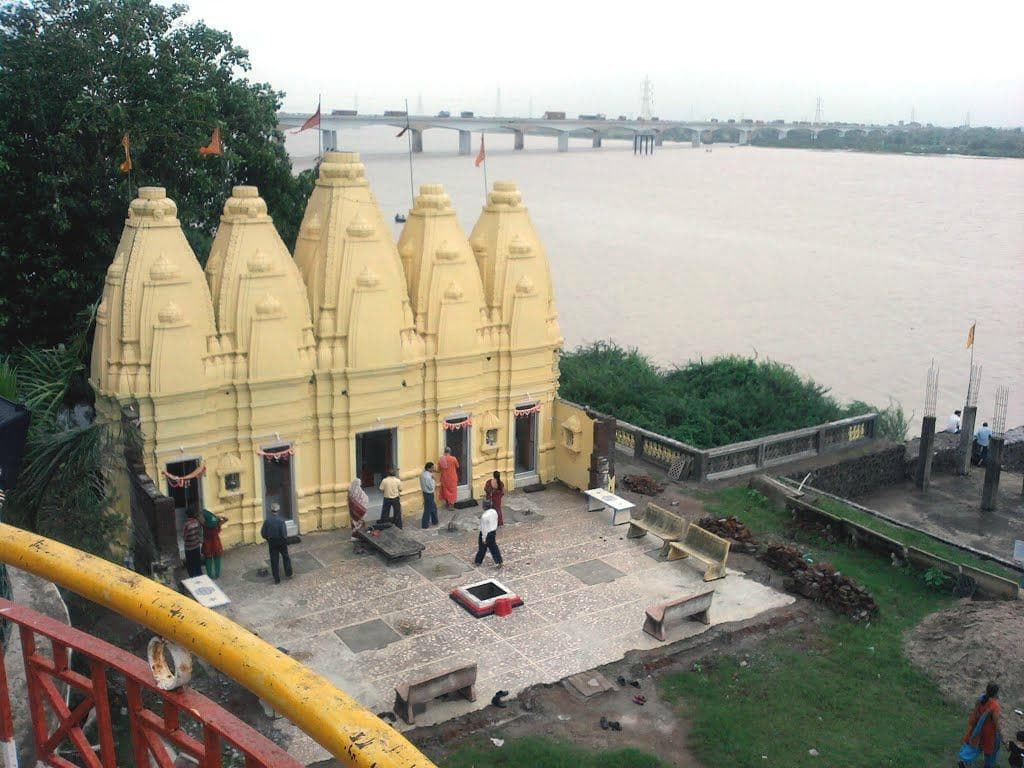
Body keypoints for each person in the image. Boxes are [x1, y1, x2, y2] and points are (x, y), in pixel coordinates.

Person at [958, 682, 1002, 768]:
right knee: (990, 752)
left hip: (979, 730)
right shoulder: (994, 706)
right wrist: (1001, 734)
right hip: (989, 733)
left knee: (976, 748)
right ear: (996, 693)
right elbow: (996, 723)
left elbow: (977, 712)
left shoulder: (981, 700)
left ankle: (965, 762)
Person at [260, 503, 292, 584]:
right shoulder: (281, 521)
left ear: (271, 511)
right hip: (281, 541)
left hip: (272, 542)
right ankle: (288, 573)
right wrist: (285, 540)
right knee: (285, 557)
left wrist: (268, 538)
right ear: (278, 510)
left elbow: (263, 533)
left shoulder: (267, 521)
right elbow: (284, 533)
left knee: (274, 560)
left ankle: (276, 579)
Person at [201, 508, 227, 579]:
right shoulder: (217, 524)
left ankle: (209, 575)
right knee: (217, 558)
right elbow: (226, 519)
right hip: (216, 543)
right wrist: (218, 517)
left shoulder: (204, 525)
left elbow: (200, 520)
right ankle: (217, 574)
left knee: (208, 559)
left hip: (207, 543)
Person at [182, 508, 204, 578]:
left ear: (187, 515)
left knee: (190, 563)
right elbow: (200, 533)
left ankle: (192, 576)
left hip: (189, 547)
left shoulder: (186, 525)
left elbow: (184, 537)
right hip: (196, 545)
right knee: (197, 561)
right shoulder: (197, 522)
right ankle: (199, 575)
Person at [420, 462, 438, 528]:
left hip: (425, 493)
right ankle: (424, 525)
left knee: (433, 507)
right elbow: (431, 487)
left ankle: (435, 521)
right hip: (429, 494)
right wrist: (433, 479)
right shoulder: (428, 477)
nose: (433, 469)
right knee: (427, 509)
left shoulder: (422, 474)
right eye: (432, 468)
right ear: (428, 468)